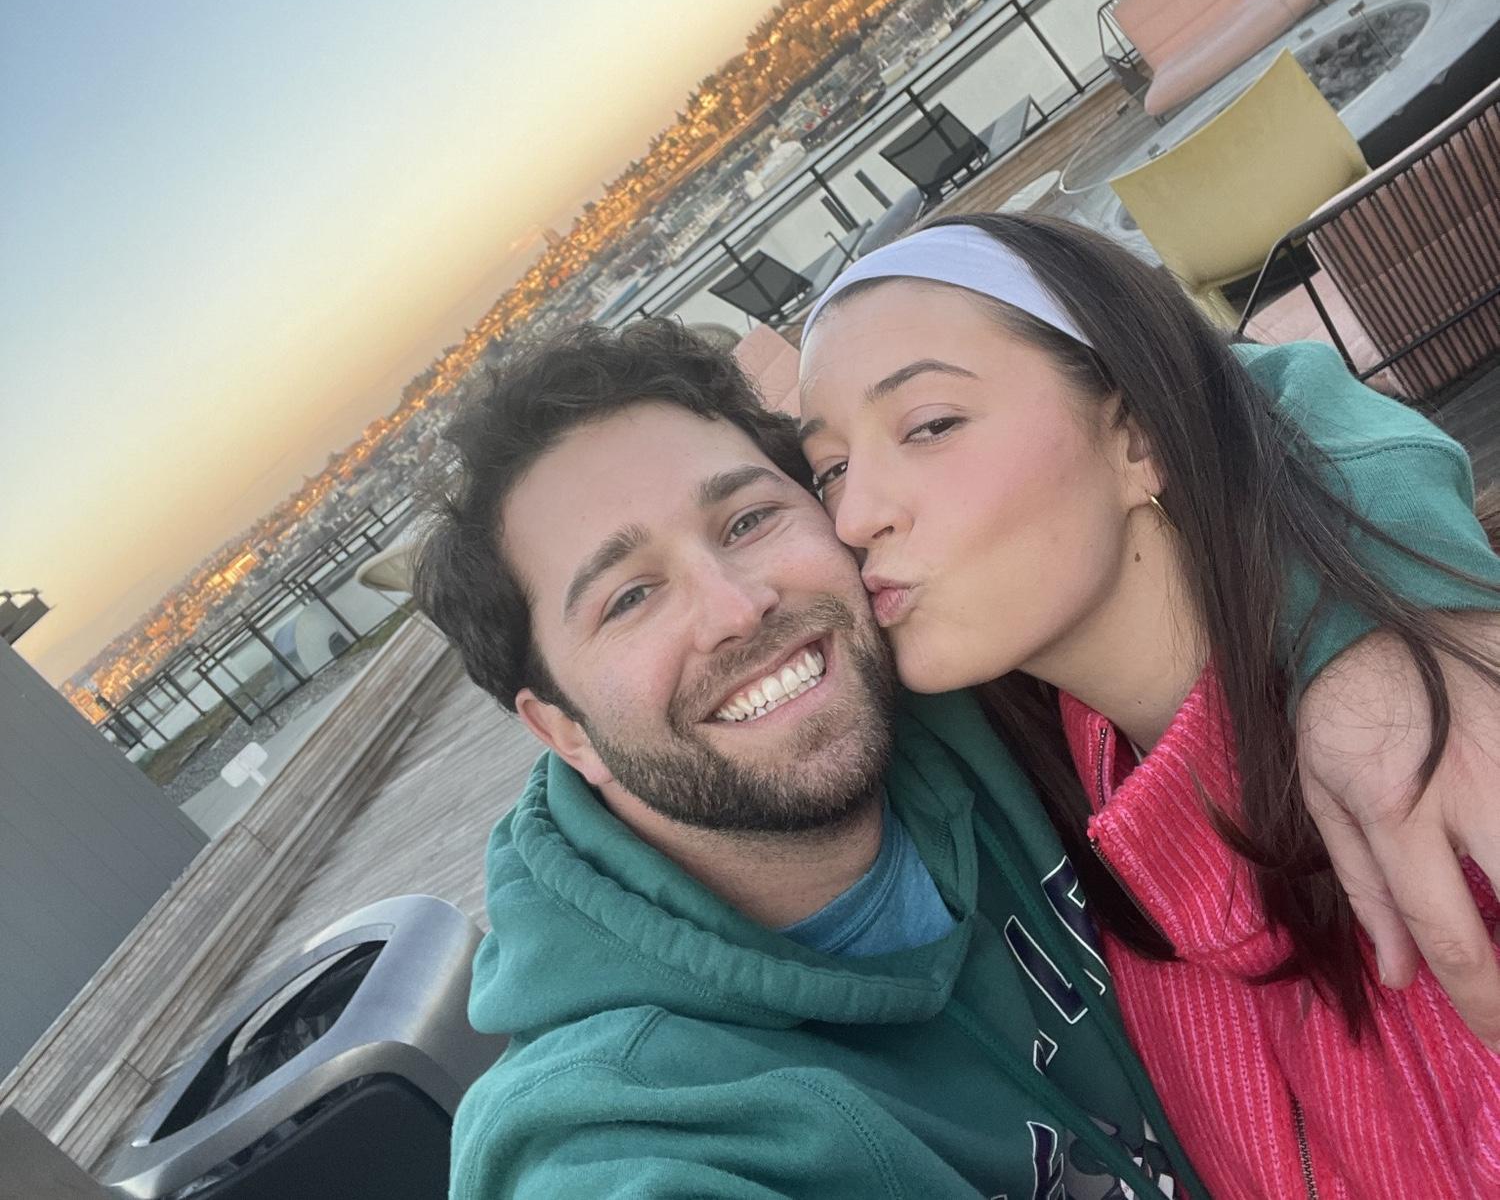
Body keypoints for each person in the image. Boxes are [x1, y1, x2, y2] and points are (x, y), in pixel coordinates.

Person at [417, 310, 1499, 1198]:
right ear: (563, 732)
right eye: (630, 597)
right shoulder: (623, 1128)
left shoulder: (961, 676)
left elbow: (1226, 395)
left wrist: (1370, 629)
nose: (738, 609)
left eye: (747, 521)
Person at [795, 214, 1500, 1198]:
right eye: (829, 469)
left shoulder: (1447, 762)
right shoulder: (1049, 829)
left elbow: (1229, 378)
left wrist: (1384, 615)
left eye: (930, 425)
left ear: (1137, 435)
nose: (855, 515)